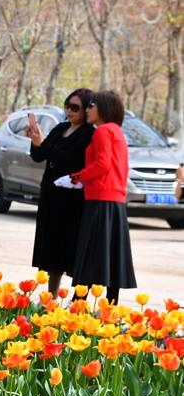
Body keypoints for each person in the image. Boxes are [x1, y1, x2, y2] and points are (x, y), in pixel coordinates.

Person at [24, 89, 95, 295]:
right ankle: (51, 296)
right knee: (50, 248)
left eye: (75, 107)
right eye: (67, 105)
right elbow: (39, 155)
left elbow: (70, 159)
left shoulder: (89, 134)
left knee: (69, 247)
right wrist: (35, 141)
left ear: (86, 110)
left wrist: (43, 145)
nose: (69, 111)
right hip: (51, 195)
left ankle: (77, 300)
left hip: (72, 200)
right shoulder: (61, 128)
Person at [71, 90, 136, 304]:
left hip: (99, 199)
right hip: (116, 201)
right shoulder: (117, 132)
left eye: (92, 106)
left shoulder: (102, 131)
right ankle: (111, 304)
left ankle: (78, 303)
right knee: (111, 254)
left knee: (91, 252)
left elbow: (102, 164)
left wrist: (76, 177)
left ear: (104, 108)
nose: (87, 110)